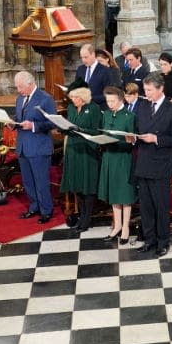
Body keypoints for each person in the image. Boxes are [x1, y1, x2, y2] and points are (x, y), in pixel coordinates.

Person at [132, 72, 172, 256]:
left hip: (161, 165)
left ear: (160, 88)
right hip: (143, 163)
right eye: (145, 90)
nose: (146, 94)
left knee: (161, 206)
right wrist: (132, 137)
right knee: (146, 206)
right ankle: (150, 240)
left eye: (149, 90)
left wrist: (157, 138)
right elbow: (137, 129)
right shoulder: (142, 107)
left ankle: (163, 241)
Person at [12, 71, 57, 223]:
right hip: (23, 146)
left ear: (30, 84)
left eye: (20, 87)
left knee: (41, 181)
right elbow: (19, 118)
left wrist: (33, 126)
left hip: (39, 147)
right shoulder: (20, 99)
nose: (19, 90)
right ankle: (34, 207)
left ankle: (46, 210)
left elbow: (52, 123)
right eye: (17, 87)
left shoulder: (45, 99)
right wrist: (11, 123)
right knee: (28, 181)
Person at [59, 82, 102, 235]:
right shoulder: (71, 108)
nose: (73, 100)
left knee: (87, 184)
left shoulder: (94, 108)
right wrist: (62, 128)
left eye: (76, 97)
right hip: (73, 149)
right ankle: (81, 215)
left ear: (83, 96)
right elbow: (68, 124)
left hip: (87, 151)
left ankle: (87, 218)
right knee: (77, 184)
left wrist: (80, 130)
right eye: (71, 97)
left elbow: (97, 131)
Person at [97, 86, 136, 245]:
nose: (110, 104)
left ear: (121, 100)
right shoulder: (105, 114)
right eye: (107, 101)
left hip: (123, 158)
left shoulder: (129, 116)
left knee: (124, 194)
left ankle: (126, 227)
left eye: (112, 101)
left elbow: (132, 141)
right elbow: (103, 132)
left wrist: (121, 142)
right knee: (113, 193)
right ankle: (117, 225)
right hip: (108, 157)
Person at [76, 44, 112, 108]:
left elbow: (108, 94)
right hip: (82, 108)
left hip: (98, 109)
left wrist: (90, 99)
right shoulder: (80, 69)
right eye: (81, 57)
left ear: (93, 54)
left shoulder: (105, 71)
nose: (83, 60)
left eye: (85, 57)